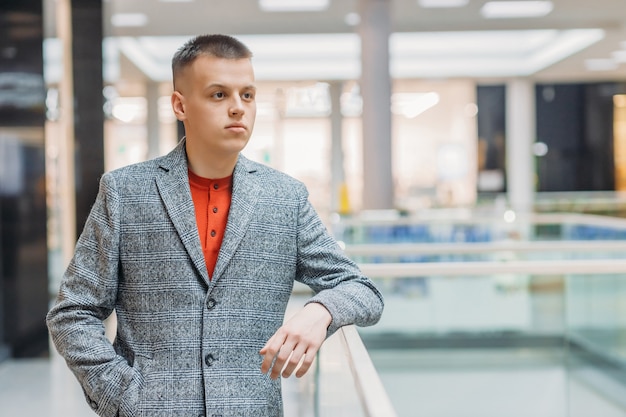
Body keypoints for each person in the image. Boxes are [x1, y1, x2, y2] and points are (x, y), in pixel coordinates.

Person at [46, 34, 384, 417]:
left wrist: (319, 310)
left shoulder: (285, 197)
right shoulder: (125, 191)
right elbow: (73, 312)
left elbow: (362, 289)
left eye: (248, 95)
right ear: (180, 105)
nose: (238, 108)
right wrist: (122, 397)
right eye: (219, 95)